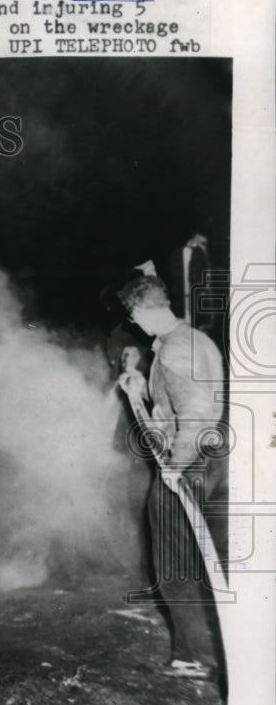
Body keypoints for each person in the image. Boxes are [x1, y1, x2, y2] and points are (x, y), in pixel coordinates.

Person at [115, 275, 228, 680]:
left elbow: (194, 414)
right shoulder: (198, 340)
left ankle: (196, 655)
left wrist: (176, 468)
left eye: (134, 317)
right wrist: (142, 389)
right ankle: (214, 649)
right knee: (206, 558)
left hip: (191, 460)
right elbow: (181, 406)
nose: (136, 325)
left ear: (144, 310)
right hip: (214, 458)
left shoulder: (174, 350)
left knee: (173, 561)